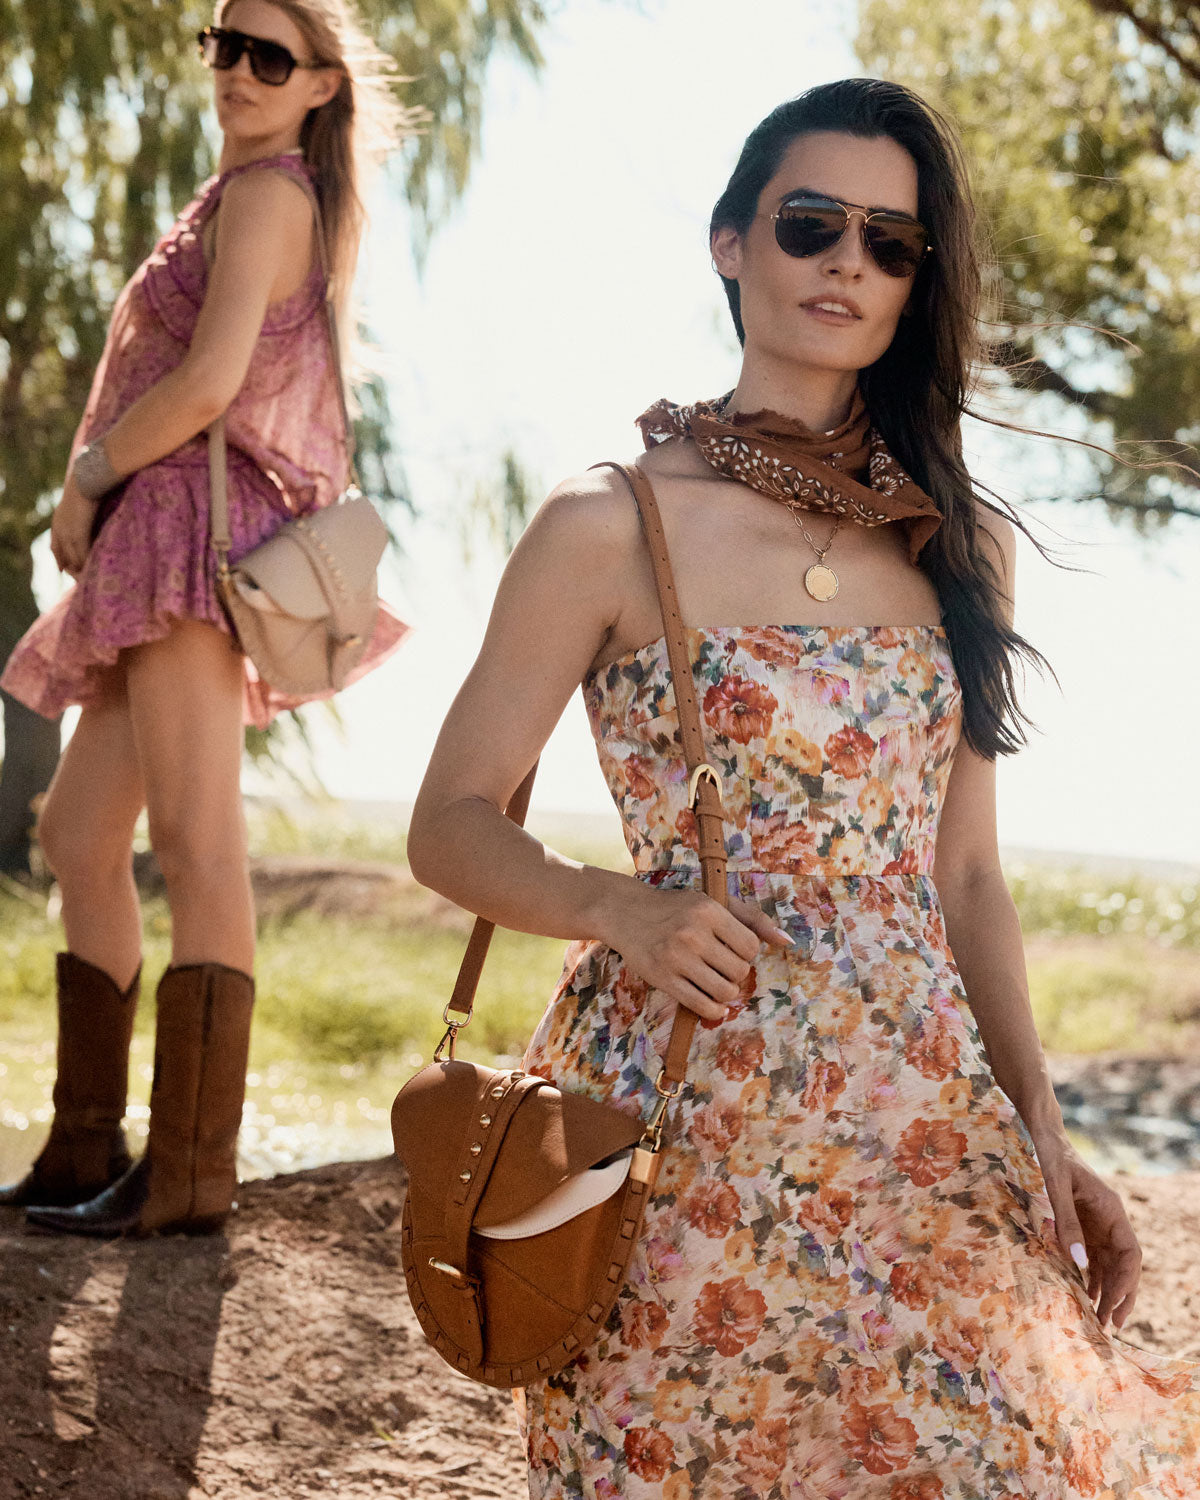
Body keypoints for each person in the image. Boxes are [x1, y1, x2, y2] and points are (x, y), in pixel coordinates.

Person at [406, 79, 1200, 1498]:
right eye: (813, 224)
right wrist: (622, 910)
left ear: (914, 290)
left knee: (982, 1455)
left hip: (921, 1118)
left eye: (891, 245)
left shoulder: (958, 544)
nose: (848, 263)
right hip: (680, 1113)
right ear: (731, 243)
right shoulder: (609, 525)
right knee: (690, 1457)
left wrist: (1040, 1125)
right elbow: (450, 822)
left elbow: (963, 876)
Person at [0, 0, 410, 1237]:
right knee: (79, 832)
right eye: (221, 46)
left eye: (267, 56)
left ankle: (188, 1172)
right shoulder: (235, 193)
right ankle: (82, 1148)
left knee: (195, 841)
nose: (235, 70)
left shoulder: (272, 195)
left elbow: (213, 378)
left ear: (322, 85)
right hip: (155, 536)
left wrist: (88, 476)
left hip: (190, 533)